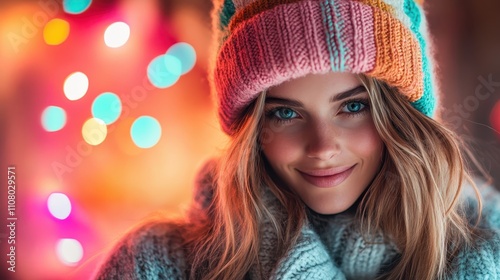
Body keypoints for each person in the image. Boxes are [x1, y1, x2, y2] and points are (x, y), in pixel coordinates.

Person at [94, 0, 500, 279]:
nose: (323, 147)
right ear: (251, 131)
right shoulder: (155, 266)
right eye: (285, 113)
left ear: (403, 117)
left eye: (354, 107)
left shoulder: (487, 252)